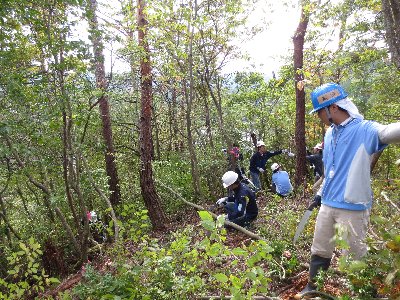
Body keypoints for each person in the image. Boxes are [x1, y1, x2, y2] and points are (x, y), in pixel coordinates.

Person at [294, 82, 400, 299]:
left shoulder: (364, 130)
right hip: (328, 203)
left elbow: (388, 131)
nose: (318, 117)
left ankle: (364, 294)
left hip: (352, 207)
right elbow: (331, 171)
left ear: (332, 108)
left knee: (354, 256)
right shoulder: (330, 134)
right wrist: (319, 194)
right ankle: (313, 288)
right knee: (320, 248)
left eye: (320, 112)